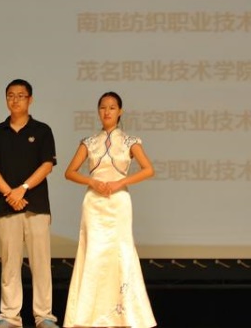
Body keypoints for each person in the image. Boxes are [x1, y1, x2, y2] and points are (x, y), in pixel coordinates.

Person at [62, 91, 156, 328]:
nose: (107, 112)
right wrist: (92, 182)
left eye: (112, 108)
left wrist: (120, 183)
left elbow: (148, 169)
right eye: (103, 107)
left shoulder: (130, 141)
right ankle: (88, 316)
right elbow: (69, 172)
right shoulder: (89, 142)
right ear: (98, 111)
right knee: (94, 253)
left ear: (120, 111)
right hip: (94, 203)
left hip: (119, 202)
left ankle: (124, 315)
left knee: (121, 252)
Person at [0, 79, 59, 328]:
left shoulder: (42, 130)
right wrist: (9, 193)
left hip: (37, 206)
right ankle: (9, 317)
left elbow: (47, 165)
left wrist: (22, 189)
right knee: (10, 264)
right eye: (11, 95)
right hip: (7, 207)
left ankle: (44, 315)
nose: (15, 100)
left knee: (41, 264)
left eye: (21, 95)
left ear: (30, 99)